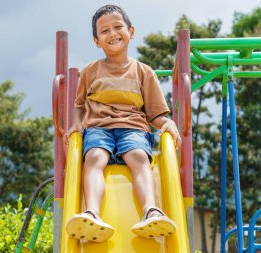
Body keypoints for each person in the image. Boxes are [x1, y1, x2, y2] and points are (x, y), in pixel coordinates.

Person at [65, 4, 182, 243]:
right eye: (104, 30)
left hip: (133, 128)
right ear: (96, 41)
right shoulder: (90, 71)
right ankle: (92, 213)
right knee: (95, 157)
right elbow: (79, 105)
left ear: (131, 31)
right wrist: (77, 124)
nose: (112, 33)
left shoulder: (144, 72)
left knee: (139, 156)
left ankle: (150, 209)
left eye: (118, 27)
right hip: (99, 128)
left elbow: (154, 113)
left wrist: (167, 123)